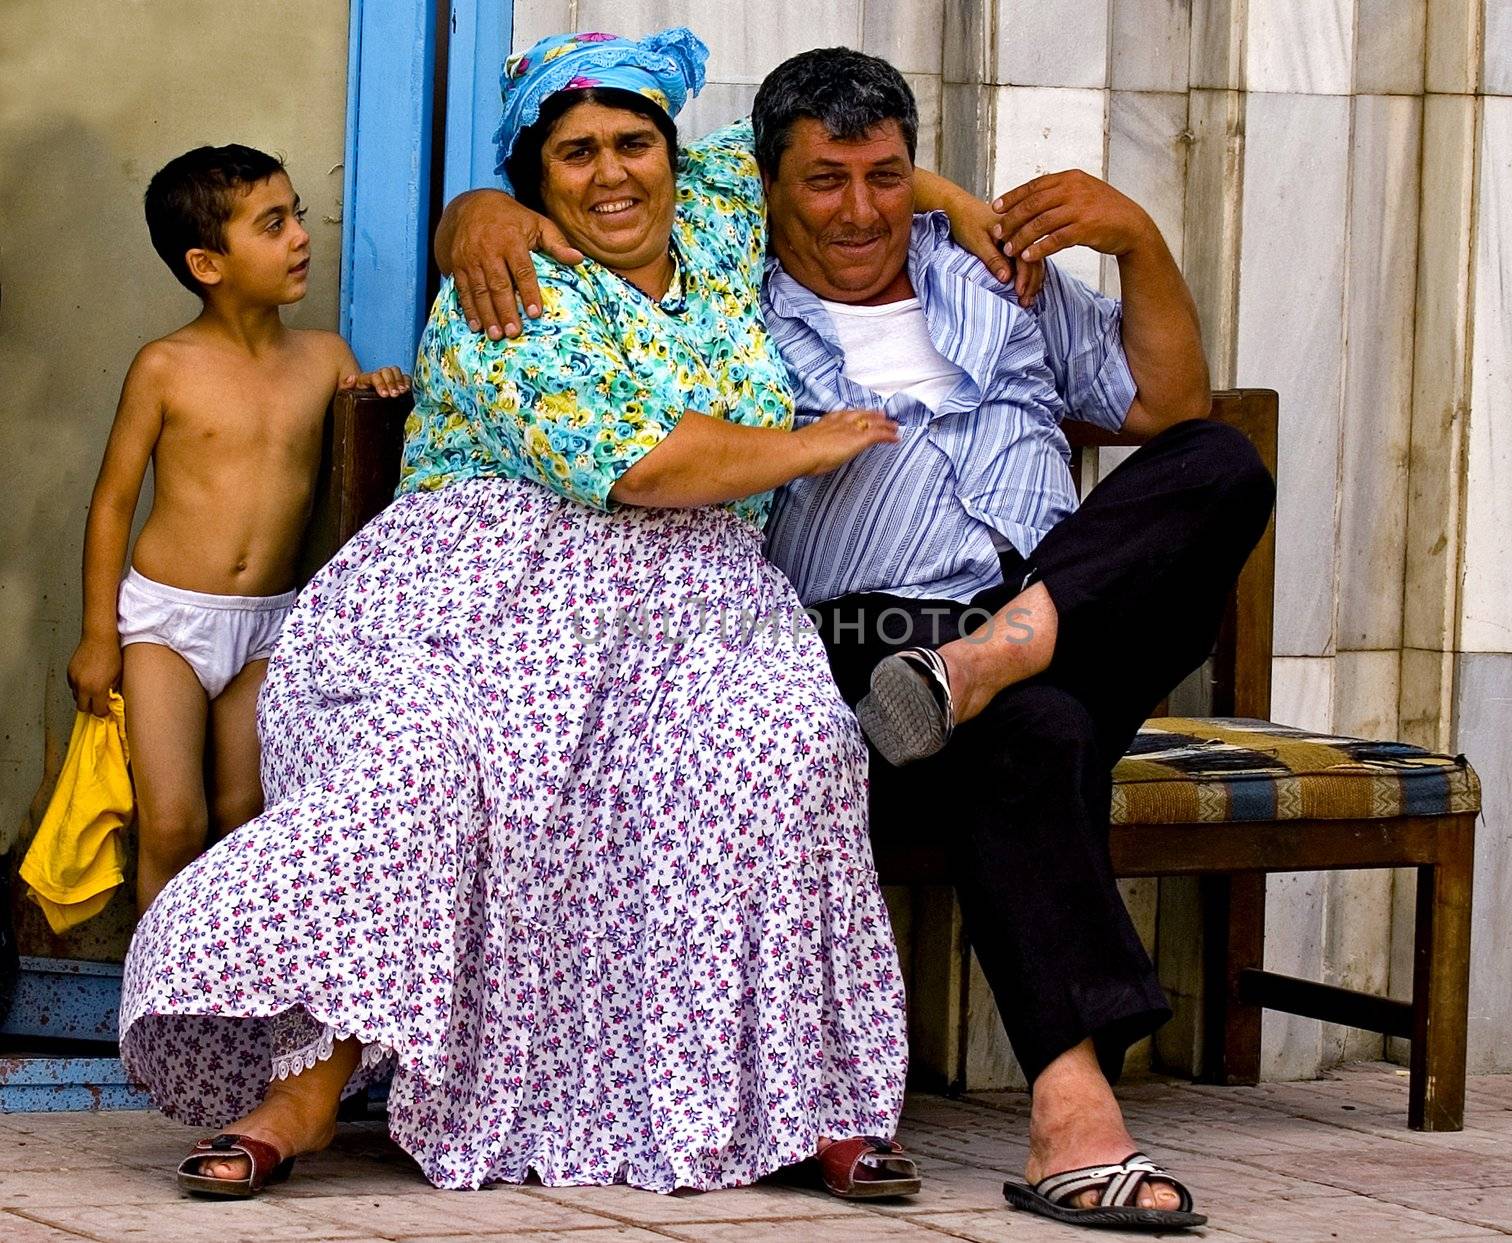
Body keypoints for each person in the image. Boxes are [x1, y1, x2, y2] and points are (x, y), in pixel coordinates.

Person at [444, 45, 1276, 1233]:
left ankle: (1002, 652)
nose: (859, 210)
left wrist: (1137, 238)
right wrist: (479, 210)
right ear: (763, 189)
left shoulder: (995, 278)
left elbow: (1163, 405)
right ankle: (1074, 1112)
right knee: (1029, 734)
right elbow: (598, 214)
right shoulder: (727, 311)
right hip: (862, 650)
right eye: (825, 181)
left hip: (1045, 611)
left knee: (1217, 463)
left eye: (886, 177)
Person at [120, 29, 931, 1201]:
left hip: (698, 611)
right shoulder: (506, 287)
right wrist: (810, 443)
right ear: (535, 181)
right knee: (430, 776)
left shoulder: (715, 211)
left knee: (788, 748)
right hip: (482, 598)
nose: (612, 172)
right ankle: (297, 1098)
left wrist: (962, 201)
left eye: (633, 143)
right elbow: (646, 466)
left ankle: (815, 1106)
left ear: (674, 152)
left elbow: (837, 161)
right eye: (576, 153)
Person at [69, 145, 407, 914]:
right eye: (273, 223)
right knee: (174, 824)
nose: (301, 237)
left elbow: (358, 454)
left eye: (296, 215)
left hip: (269, 627)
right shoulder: (165, 366)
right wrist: (99, 637)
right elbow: (114, 502)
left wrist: (378, 390)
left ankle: (226, 1017)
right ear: (208, 264)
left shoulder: (324, 359)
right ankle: (155, 1018)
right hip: (165, 626)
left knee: (245, 824)